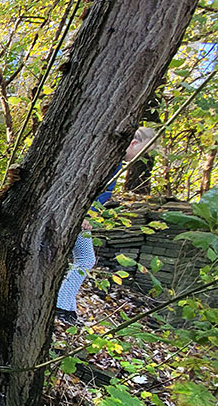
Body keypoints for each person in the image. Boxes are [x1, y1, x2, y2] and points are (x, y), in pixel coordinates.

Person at [55, 126, 157, 324]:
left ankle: (68, 309)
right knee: (85, 259)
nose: (140, 156)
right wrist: (85, 214)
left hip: (80, 215)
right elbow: (90, 188)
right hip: (76, 215)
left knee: (85, 259)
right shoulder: (110, 162)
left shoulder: (112, 160)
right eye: (143, 151)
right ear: (133, 143)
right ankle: (61, 307)